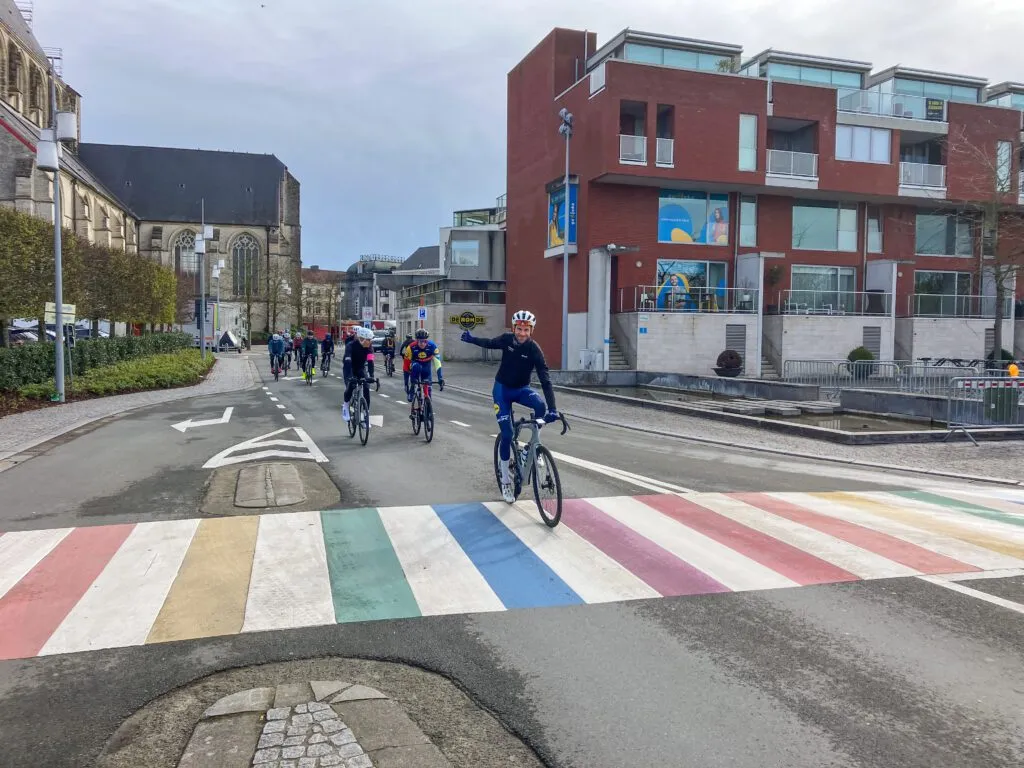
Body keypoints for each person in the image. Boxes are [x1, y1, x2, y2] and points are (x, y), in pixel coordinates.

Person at [461, 310, 558, 503]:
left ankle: (531, 447)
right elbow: (489, 343)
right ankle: (505, 481)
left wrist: (553, 409)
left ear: (531, 330)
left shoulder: (534, 349)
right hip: (502, 390)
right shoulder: (507, 340)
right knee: (507, 435)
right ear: (514, 328)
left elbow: (545, 379)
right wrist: (471, 339)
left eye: (526, 330)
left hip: (522, 389)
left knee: (540, 406)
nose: (522, 333)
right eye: (519, 329)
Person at [342, 326, 376, 423]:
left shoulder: (369, 348)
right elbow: (348, 361)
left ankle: (366, 415)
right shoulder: (350, 345)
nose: (370, 342)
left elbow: (370, 362)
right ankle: (346, 406)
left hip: (360, 368)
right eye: (368, 340)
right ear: (361, 339)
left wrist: (372, 376)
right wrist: (350, 377)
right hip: (349, 367)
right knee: (351, 385)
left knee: (366, 386)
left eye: (370, 340)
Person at [406, 329, 438, 403]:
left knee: (428, 389)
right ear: (417, 340)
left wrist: (440, 378)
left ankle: (428, 406)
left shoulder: (432, 346)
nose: (422, 343)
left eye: (424, 341)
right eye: (420, 341)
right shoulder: (411, 346)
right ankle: (413, 388)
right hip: (415, 367)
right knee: (416, 366)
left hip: (426, 368)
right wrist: (407, 381)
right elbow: (406, 365)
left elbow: (438, 363)